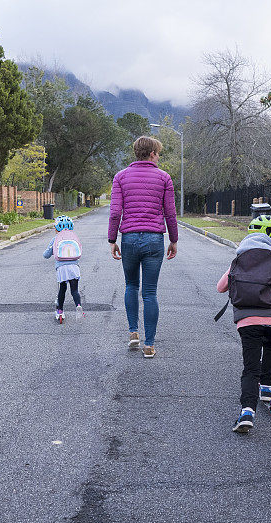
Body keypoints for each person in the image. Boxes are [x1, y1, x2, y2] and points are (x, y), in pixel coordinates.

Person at [215, 215, 271, 433]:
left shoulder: (239, 259)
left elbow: (220, 287)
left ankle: (247, 411)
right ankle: (266, 388)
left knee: (250, 367)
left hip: (246, 320)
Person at [108, 136, 178, 358]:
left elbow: (114, 213)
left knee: (130, 285)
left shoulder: (120, 177)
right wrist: (173, 240)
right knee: (149, 292)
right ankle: (149, 345)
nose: (158, 157)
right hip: (154, 240)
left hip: (128, 238)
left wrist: (112, 240)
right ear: (152, 154)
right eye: (158, 153)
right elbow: (170, 213)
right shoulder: (164, 178)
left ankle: (133, 333)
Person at [44, 215, 84, 323]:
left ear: (57, 228)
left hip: (62, 268)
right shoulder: (74, 237)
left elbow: (46, 255)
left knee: (62, 290)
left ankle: (60, 311)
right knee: (74, 290)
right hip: (74, 267)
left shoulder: (55, 239)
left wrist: (48, 253)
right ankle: (78, 305)